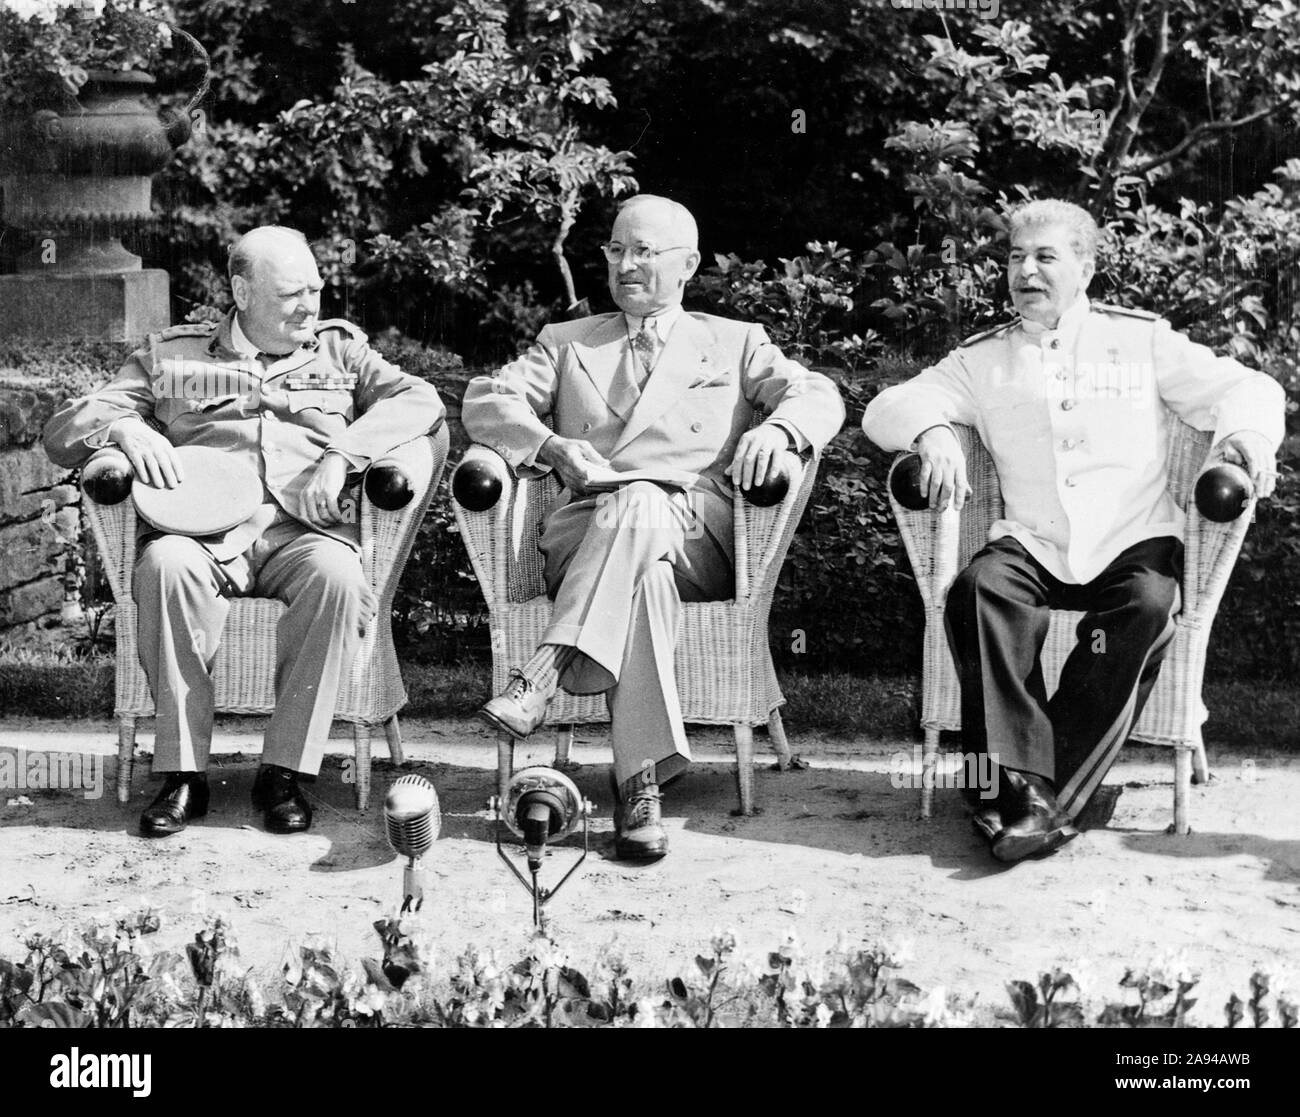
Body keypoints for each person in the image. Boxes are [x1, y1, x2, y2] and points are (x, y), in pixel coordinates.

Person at [862, 199, 1284, 863]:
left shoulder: (1140, 340)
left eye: (1045, 257)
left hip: (1131, 539)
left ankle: (1028, 791)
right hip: (1032, 541)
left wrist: (1246, 436)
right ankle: (1029, 791)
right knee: (978, 590)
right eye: (1015, 257)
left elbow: (1247, 387)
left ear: (1085, 267)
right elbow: (887, 405)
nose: (1025, 271)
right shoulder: (984, 358)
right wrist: (934, 431)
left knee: (1148, 605)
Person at [461, 194, 844, 862]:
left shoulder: (735, 341)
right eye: (616, 250)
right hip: (587, 537)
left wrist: (781, 429)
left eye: (645, 251)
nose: (627, 265)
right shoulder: (567, 342)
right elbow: (485, 400)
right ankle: (640, 785)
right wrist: (550, 447)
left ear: (689, 263)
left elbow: (819, 394)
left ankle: (545, 673)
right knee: (642, 572)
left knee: (642, 501)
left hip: (698, 534)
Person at [43, 226, 446, 837]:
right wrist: (125, 429)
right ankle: (183, 775)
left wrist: (343, 451)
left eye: (315, 289)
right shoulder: (173, 358)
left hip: (302, 533)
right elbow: (62, 431)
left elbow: (422, 402)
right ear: (240, 289)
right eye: (291, 295)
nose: (310, 306)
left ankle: (284, 772)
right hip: (203, 536)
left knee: (340, 577)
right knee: (163, 566)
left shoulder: (340, 354)